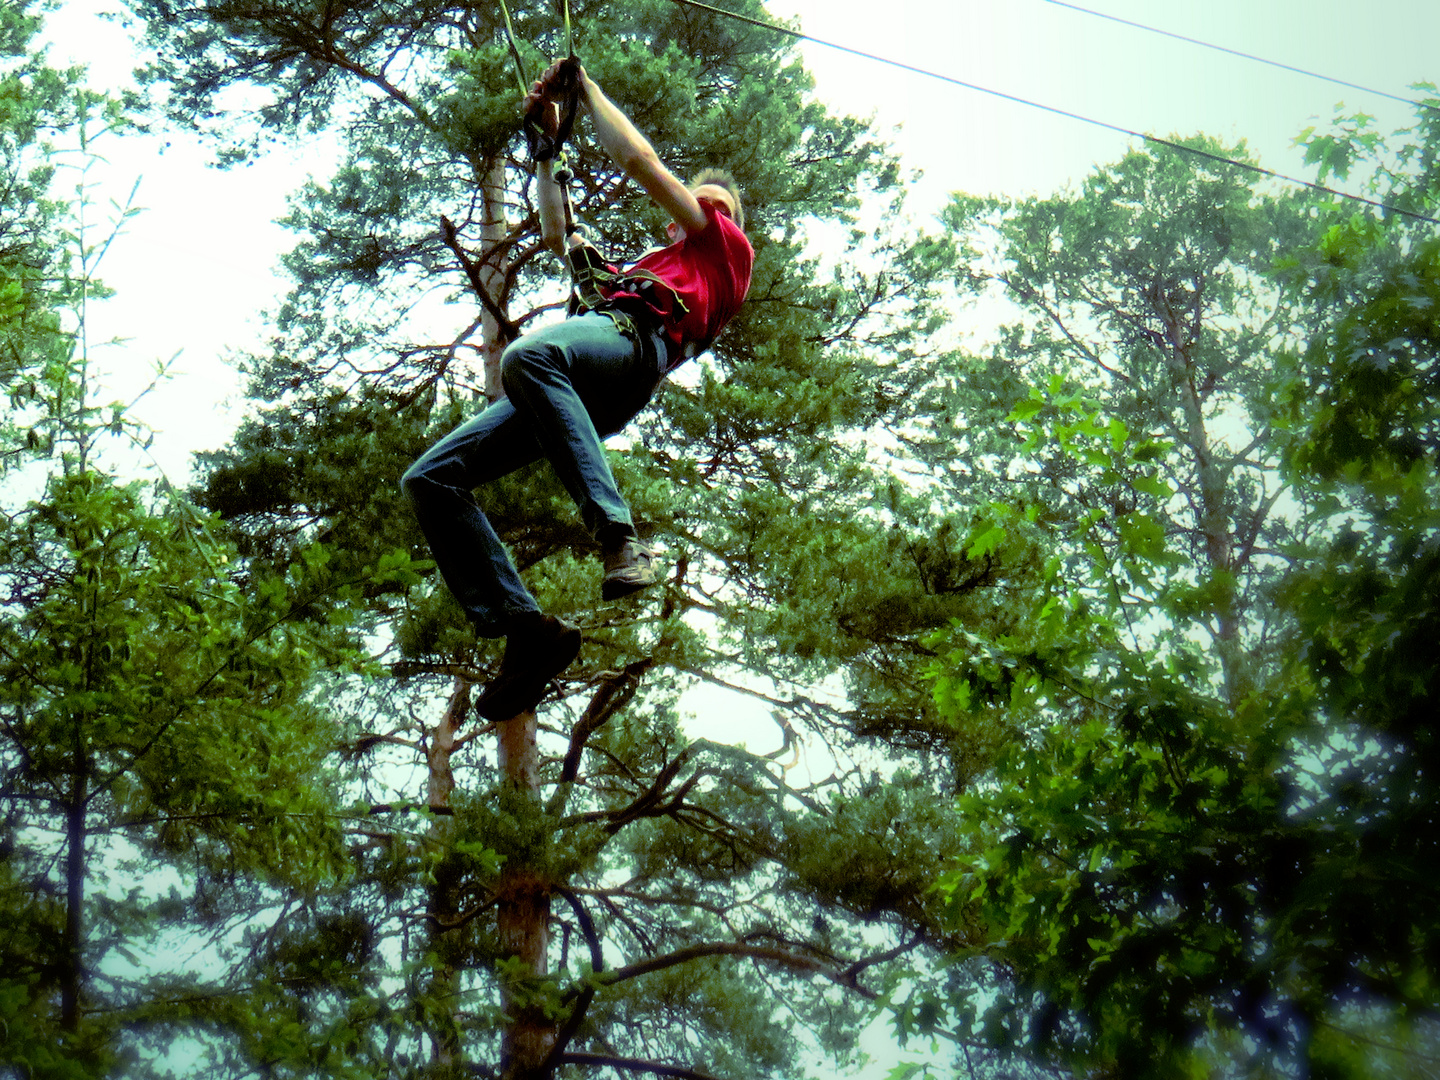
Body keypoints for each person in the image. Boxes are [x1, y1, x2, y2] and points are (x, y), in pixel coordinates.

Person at [402, 61, 754, 722]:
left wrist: (585, 90)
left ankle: (618, 535)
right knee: (431, 479)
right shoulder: (652, 263)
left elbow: (645, 163)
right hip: (593, 367)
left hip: (634, 346)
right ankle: (525, 629)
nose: (707, 206)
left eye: (719, 203)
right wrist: (545, 151)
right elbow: (557, 235)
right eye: (702, 200)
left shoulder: (727, 254)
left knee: (529, 357)